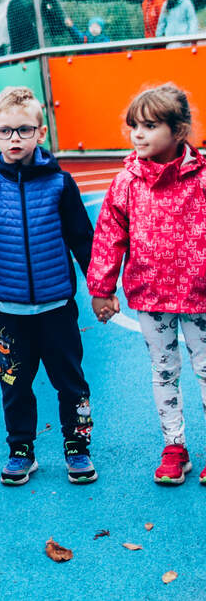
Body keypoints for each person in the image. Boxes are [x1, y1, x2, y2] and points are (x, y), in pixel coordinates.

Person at [0, 87, 96, 486]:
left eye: (24, 130)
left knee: (71, 381)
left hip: (57, 308)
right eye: (5, 131)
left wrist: (100, 288)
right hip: (9, 313)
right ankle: (21, 448)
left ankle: (77, 445)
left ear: (40, 133)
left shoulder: (60, 184)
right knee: (14, 384)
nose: (15, 138)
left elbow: (83, 239)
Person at [88, 84, 206, 486]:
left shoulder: (202, 179)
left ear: (179, 130)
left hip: (199, 296)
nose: (138, 134)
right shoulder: (127, 182)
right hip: (151, 296)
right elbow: (109, 236)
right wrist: (101, 289)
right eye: (134, 126)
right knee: (163, 370)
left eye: (150, 126)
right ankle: (174, 446)